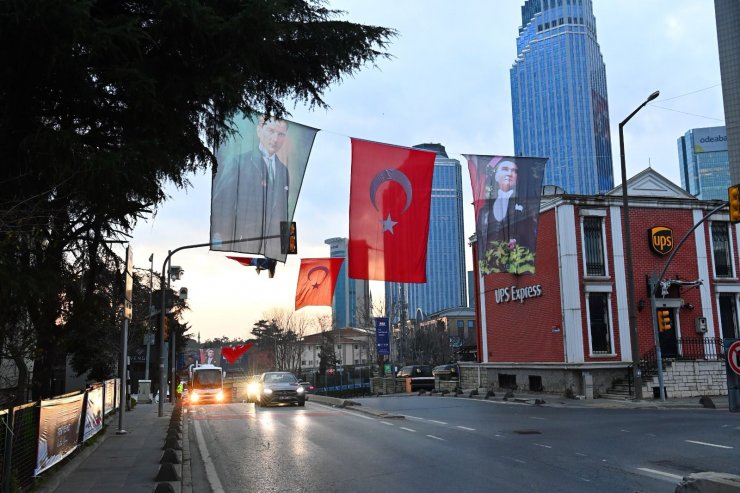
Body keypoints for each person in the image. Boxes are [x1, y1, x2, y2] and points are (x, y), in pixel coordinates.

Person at [211, 115, 290, 259]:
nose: (275, 139)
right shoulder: (238, 163)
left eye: (281, 134)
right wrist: (219, 240)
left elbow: (284, 211)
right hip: (242, 243)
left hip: (270, 247)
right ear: (259, 130)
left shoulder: (283, 170)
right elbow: (220, 204)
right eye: (271, 131)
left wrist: (287, 246)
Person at [477, 158, 538, 270]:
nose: (510, 174)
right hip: (492, 265)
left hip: (518, 262)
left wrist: (518, 241)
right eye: (505, 169)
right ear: (496, 176)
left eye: (514, 171)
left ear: (517, 178)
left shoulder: (526, 206)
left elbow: (533, 233)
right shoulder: (484, 211)